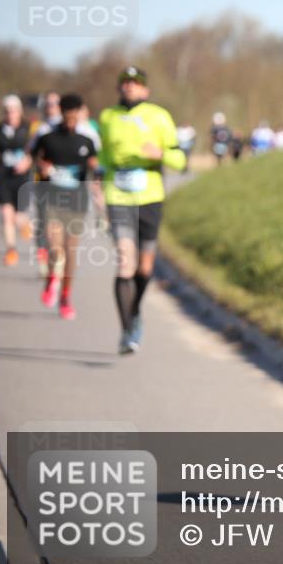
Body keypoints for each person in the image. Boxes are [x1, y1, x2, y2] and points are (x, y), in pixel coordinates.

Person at [99, 65, 187, 353]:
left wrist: (160, 154)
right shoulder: (107, 117)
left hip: (149, 195)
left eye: (135, 83)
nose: (129, 87)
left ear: (145, 90)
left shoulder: (159, 116)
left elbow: (180, 160)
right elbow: (101, 159)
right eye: (124, 82)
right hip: (118, 195)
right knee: (125, 261)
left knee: (145, 267)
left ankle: (135, 313)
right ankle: (127, 331)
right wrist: (97, 187)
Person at [32, 94, 101, 320]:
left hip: (77, 202)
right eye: (68, 117)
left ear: (80, 114)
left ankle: (65, 296)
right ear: (61, 113)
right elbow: (33, 157)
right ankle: (52, 277)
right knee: (55, 246)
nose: (71, 122)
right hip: (52, 199)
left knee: (71, 251)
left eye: (75, 117)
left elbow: (95, 165)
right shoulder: (47, 137)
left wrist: (98, 183)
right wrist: (41, 168)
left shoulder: (87, 140)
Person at [0, 95, 34, 265]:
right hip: (2, 177)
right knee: (6, 215)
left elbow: (36, 151)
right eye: (7, 111)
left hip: (23, 178)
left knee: (18, 217)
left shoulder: (29, 129)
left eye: (13, 110)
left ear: (20, 111)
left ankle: (26, 226)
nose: (10, 114)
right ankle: (11, 250)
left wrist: (28, 161)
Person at [28, 91, 63, 276]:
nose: (51, 107)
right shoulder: (40, 129)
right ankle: (43, 257)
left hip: (64, 184)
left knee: (59, 223)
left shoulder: (67, 128)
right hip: (43, 182)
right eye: (48, 104)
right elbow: (30, 154)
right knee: (43, 221)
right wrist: (39, 164)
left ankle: (57, 257)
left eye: (54, 104)